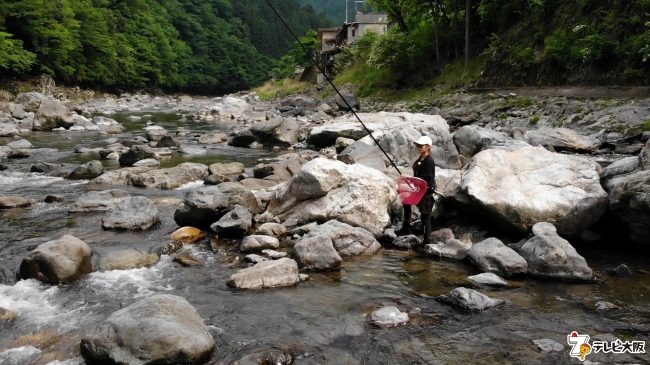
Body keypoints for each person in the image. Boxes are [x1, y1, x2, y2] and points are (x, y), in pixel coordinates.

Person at [396, 135, 436, 245]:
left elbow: (423, 179)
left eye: (420, 145)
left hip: (426, 192)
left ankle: (426, 242)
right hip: (418, 190)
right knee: (406, 202)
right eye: (417, 145)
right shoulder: (420, 160)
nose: (418, 147)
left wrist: (408, 178)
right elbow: (417, 178)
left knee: (425, 218)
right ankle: (406, 228)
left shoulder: (429, 161)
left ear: (428, 147)